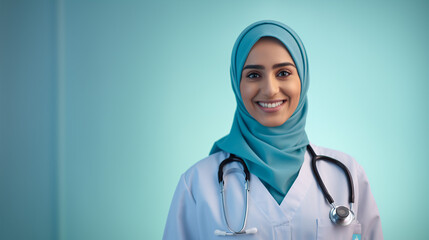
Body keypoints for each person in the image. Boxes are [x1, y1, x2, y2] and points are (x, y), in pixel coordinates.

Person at [163, 20, 383, 239]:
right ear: (236, 84)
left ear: (303, 79)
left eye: (283, 73)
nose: (270, 90)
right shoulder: (197, 183)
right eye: (253, 75)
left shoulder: (345, 174)